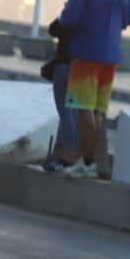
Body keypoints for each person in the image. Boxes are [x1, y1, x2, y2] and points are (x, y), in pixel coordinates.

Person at [59, 0, 130, 178]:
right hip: (110, 55)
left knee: (83, 109)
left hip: (85, 54)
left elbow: (69, 18)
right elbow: (129, 18)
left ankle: (88, 163)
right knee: (98, 111)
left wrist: (63, 18)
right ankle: (89, 163)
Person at [42, 15, 78, 172]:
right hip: (83, 69)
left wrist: (64, 14)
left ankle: (66, 158)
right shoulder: (92, 18)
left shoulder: (70, 16)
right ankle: (72, 155)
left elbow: (52, 29)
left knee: (65, 112)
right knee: (75, 112)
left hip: (64, 66)